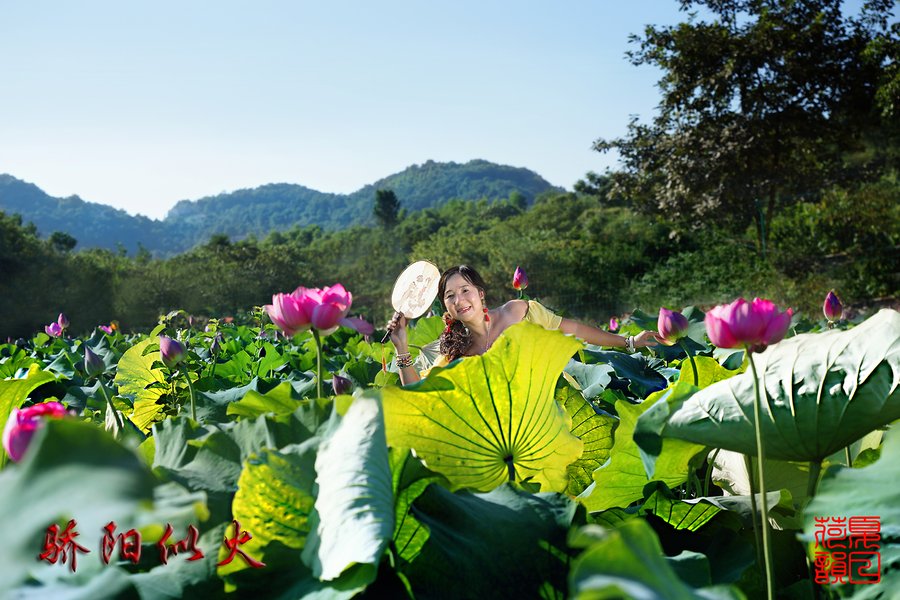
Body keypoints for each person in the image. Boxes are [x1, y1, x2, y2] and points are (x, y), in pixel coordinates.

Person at [388, 265, 661, 385]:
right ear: (446, 308)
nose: (459, 300)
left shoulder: (518, 312)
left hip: (555, 407)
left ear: (480, 293)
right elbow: (419, 392)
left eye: (465, 290)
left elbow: (575, 330)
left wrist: (630, 342)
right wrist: (401, 347)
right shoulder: (455, 353)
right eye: (450, 296)